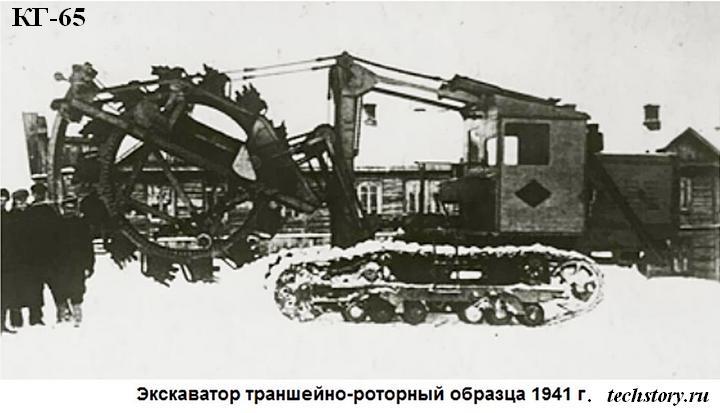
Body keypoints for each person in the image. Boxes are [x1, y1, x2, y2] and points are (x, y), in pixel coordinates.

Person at [22, 183, 63, 326]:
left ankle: (52, 314)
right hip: (43, 256)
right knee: (44, 287)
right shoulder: (48, 211)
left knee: (45, 286)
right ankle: (38, 316)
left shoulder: (35, 211)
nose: (39, 196)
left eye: (40, 193)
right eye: (37, 193)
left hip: (41, 256)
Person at [54, 196, 95, 326]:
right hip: (60, 264)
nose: (69, 211)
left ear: (76, 209)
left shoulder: (82, 224)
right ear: (63, 209)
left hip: (77, 264)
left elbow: (88, 246)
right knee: (60, 288)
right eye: (67, 208)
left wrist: (89, 265)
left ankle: (77, 313)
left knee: (77, 288)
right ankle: (62, 313)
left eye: (72, 208)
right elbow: (51, 246)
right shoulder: (57, 224)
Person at [6, 189, 31, 328]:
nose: (21, 203)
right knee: (14, 289)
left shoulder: (31, 214)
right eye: (18, 200)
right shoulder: (10, 216)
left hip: (29, 258)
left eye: (23, 200)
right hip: (13, 258)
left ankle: (35, 318)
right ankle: (16, 320)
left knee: (31, 287)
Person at [1, 188, 17, 333]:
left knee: (5, 293)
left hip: (7, 261)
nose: (1, 201)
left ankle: (2, 324)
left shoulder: (8, 216)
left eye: (4, 199)